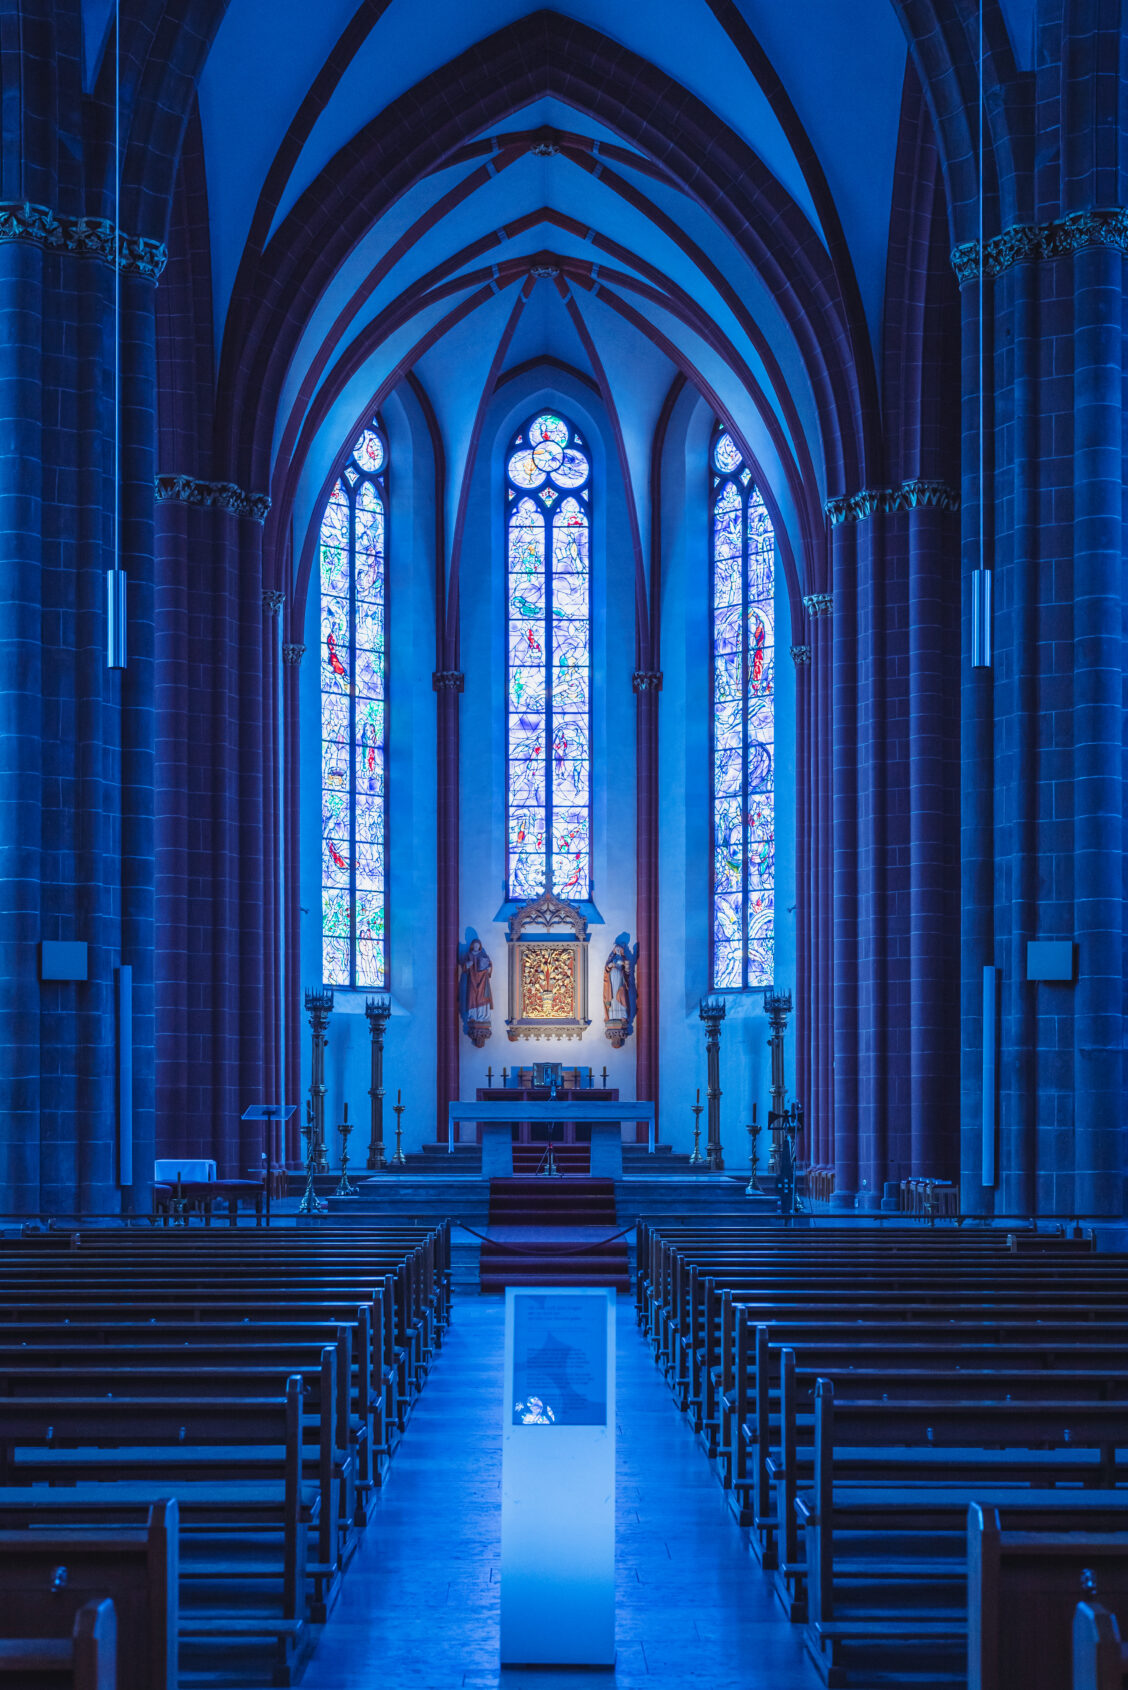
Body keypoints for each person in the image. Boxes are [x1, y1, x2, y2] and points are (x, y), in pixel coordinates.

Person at [461, 939, 493, 1023]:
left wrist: (489, 968)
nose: (476, 946)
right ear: (472, 946)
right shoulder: (468, 955)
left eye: (477, 945)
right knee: (472, 996)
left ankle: (483, 1015)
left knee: (482, 996)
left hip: (482, 979)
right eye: (474, 945)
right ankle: (473, 1015)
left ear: (480, 946)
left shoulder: (483, 954)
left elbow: (489, 964)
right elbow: (463, 967)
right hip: (472, 978)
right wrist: (468, 964)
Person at [603, 942, 630, 1023]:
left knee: (621, 994)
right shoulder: (611, 958)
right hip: (612, 977)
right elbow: (606, 969)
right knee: (613, 995)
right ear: (614, 950)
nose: (618, 950)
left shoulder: (624, 958)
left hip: (620, 977)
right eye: (616, 949)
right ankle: (612, 1015)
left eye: (619, 949)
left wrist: (626, 965)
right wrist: (610, 966)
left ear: (621, 950)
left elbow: (627, 972)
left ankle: (623, 1015)